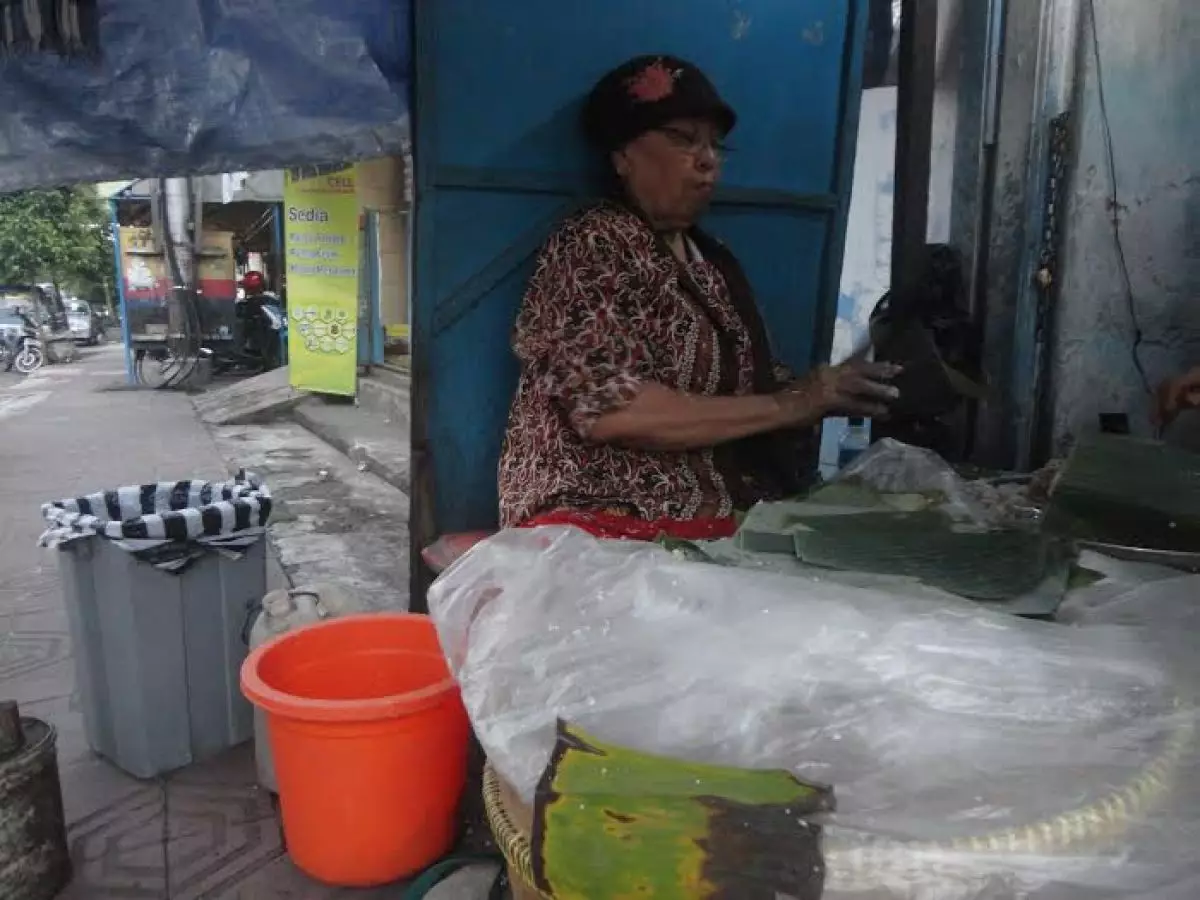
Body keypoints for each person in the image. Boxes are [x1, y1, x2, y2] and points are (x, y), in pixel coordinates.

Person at [497, 55, 900, 540]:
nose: (707, 159)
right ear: (622, 156)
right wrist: (796, 402)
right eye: (682, 139)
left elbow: (758, 384)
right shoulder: (595, 241)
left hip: (709, 516)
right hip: (597, 517)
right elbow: (611, 410)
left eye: (715, 145)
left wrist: (835, 391)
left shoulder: (713, 261)